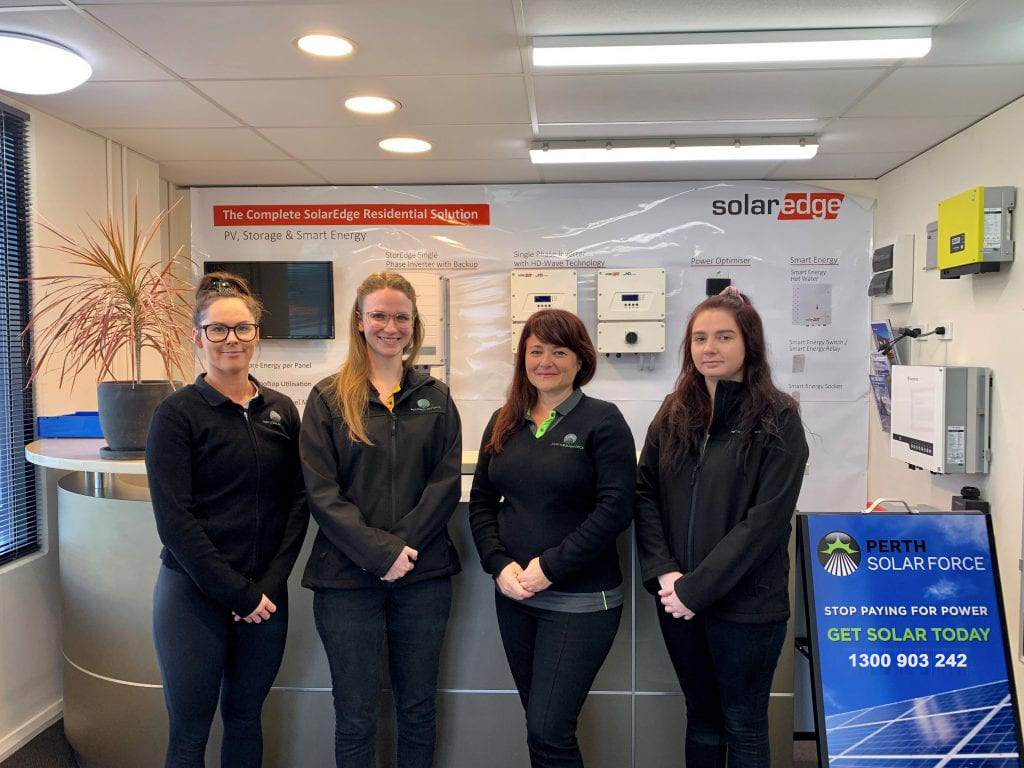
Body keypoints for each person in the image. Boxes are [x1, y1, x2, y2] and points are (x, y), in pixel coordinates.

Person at [634, 287, 809, 768]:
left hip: (746, 606)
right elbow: (645, 493)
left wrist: (697, 589)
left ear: (749, 343)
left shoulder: (778, 417)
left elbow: (766, 522)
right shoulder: (674, 412)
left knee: (744, 724)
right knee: (702, 719)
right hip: (678, 598)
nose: (709, 348)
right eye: (700, 338)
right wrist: (666, 574)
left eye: (724, 337)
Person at [146, 272, 309, 768]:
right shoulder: (176, 414)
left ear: (257, 334)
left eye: (242, 328)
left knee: (244, 719)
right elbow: (175, 521)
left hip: (265, 597)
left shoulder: (281, 410)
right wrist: (237, 594)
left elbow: (297, 503)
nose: (231, 339)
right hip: (193, 597)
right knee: (189, 733)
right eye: (217, 329)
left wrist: (268, 587)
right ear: (198, 337)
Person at [300, 271, 462, 768]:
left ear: (414, 324)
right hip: (346, 580)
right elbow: (321, 492)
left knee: (417, 709)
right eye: (379, 316)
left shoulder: (436, 397)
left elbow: (445, 483)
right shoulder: (328, 398)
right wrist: (380, 553)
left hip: (422, 576)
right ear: (359, 320)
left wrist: (401, 551)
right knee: (355, 715)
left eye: (400, 317)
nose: (390, 327)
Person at [469, 309, 635, 768]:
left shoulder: (603, 421)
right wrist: (498, 564)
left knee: (549, 729)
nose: (545, 362)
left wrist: (550, 568)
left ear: (580, 360)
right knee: (540, 727)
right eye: (535, 351)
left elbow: (615, 510)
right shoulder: (504, 421)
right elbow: (482, 502)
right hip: (515, 597)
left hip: (581, 601)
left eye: (559, 351)